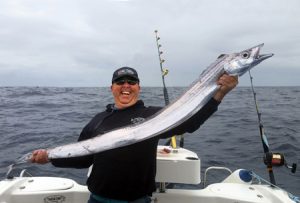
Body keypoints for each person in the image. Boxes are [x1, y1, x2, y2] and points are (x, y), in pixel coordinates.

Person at [31, 66, 238, 203]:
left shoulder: (154, 115)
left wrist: (219, 94)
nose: (126, 86)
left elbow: (191, 123)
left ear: (138, 87)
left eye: (131, 81)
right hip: (98, 199)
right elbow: (83, 158)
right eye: (120, 82)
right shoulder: (97, 120)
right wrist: (50, 158)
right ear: (112, 88)